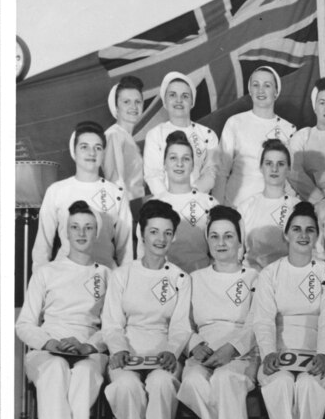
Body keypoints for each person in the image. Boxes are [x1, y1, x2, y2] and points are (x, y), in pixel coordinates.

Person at [16, 201, 110, 419]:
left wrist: (86, 345)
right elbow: (24, 324)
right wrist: (50, 342)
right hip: (48, 348)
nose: (81, 233)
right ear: (65, 232)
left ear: (96, 233)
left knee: (83, 375)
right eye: (75, 227)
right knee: (55, 367)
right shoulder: (46, 272)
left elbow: (113, 327)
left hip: (88, 349)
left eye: (88, 227)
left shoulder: (107, 275)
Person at [251, 202, 325, 419]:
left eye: (310, 230)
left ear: (317, 236)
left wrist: (323, 355)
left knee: (309, 385)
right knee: (279, 384)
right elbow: (263, 319)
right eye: (297, 229)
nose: (303, 235)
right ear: (286, 235)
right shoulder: (270, 274)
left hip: (317, 349)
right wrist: (268, 354)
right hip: (279, 349)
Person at [102, 200, 192, 419]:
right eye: (154, 232)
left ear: (174, 236)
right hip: (128, 351)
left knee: (161, 384)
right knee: (125, 386)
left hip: (163, 351)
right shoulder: (122, 275)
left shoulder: (180, 278)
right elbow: (113, 323)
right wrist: (119, 350)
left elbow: (180, 326)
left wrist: (172, 351)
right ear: (142, 234)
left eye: (167, 233)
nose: (160, 239)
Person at [176, 206, 261, 419]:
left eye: (228, 236)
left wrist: (233, 349)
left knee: (225, 381)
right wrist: (194, 345)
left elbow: (257, 323)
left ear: (240, 240)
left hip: (241, 352)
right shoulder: (194, 279)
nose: (221, 243)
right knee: (192, 382)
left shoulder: (255, 278)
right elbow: (181, 323)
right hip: (204, 353)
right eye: (214, 237)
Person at [33, 121, 132, 271]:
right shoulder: (57, 191)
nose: (92, 153)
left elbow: (126, 249)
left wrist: (124, 284)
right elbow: (42, 247)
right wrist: (41, 283)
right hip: (65, 275)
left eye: (98, 148)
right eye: (84, 147)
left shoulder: (116, 193)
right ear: (75, 150)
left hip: (106, 277)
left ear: (104, 153)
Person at [215, 66, 296, 207]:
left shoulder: (288, 129)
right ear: (250, 91)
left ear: (276, 91)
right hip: (235, 206)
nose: (260, 90)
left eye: (267, 85)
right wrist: (218, 210)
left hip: (273, 208)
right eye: (256, 85)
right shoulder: (235, 122)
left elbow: (293, 177)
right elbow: (221, 172)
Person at [142, 131, 218, 273]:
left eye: (186, 159)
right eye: (173, 158)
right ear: (164, 164)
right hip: (162, 281)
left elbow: (220, 253)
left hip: (200, 279)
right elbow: (143, 255)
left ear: (192, 165)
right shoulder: (152, 206)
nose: (179, 164)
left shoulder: (210, 203)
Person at [143, 71, 219, 196]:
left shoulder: (208, 134)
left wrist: (192, 195)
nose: (179, 100)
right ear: (165, 102)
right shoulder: (155, 134)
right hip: (166, 204)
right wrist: (169, 200)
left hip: (198, 201)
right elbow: (153, 174)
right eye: (172, 95)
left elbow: (212, 171)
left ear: (192, 102)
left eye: (185, 96)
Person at [238, 139, 301, 271]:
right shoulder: (246, 207)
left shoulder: (297, 208)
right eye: (268, 163)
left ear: (289, 169)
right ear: (261, 167)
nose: (274, 169)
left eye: (281, 164)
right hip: (252, 279)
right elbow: (237, 253)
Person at [103, 76, 146, 216]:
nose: (133, 107)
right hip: (125, 213)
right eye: (126, 102)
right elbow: (115, 183)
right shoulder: (113, 135)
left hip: (135, 209)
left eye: (137, 102)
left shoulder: (126, 137)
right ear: (116, 106)